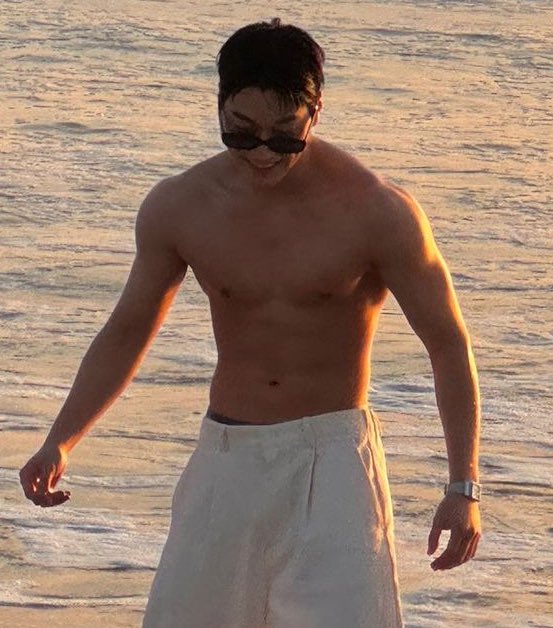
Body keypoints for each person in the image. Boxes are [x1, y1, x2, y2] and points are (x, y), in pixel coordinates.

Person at [19, 18, 481, 628]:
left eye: (284, 136)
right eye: (242, 132)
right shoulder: (180, 206)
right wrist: (61, 439)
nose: (263, 152)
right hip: (226, 458)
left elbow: (448, 344)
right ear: (219, 108)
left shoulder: (377, 212)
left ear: (315, 112)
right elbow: (127, 330)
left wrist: (462, 486)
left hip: (333, 464)